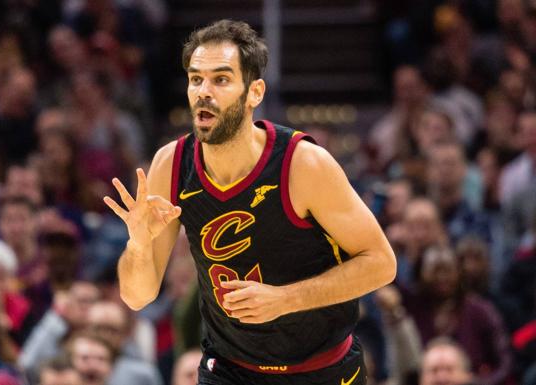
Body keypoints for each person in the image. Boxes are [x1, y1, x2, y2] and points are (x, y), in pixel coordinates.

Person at [104, 19, 396, 385]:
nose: (203, 92)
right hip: (230, 369)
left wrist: (285, 299)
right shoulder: (171, 164)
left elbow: (382, 263)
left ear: (254, 92)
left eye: (221, 79)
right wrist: (139, 243)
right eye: (196, 79)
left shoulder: (302, 164)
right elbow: (137, 296)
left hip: (320, 368)